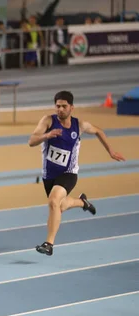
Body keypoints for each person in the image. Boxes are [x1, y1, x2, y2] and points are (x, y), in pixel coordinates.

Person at [28, 91, 125, 256]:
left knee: (53, 202)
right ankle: (82, 202)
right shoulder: (48, 120)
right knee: (62, 205)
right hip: (49, 175)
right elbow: (31, 141)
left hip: (69, 173)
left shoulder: (79, 125)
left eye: (64, 106)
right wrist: (47, 135)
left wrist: (111, 151)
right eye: (57, 106)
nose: (60, 109)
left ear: (71, 108)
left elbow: (99, 131)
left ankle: (49, 244)